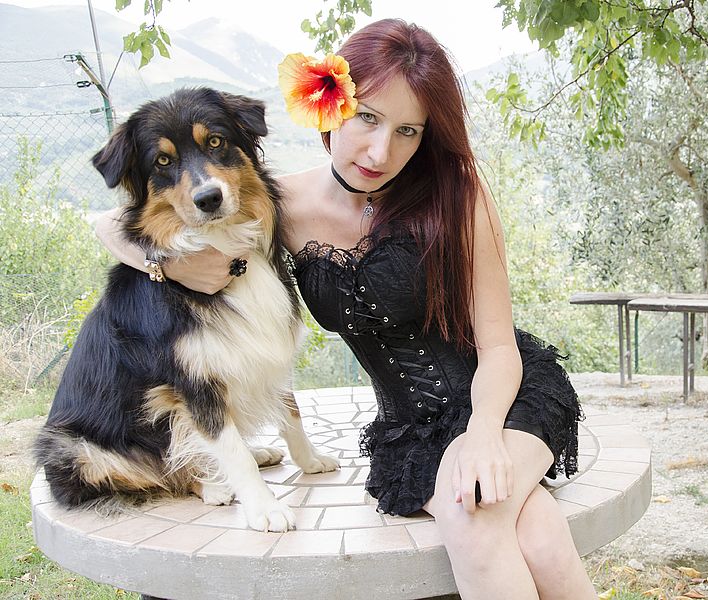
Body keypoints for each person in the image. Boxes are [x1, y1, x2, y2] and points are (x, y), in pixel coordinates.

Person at [96, 18, 597, 600]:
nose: (382, 151)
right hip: (409, 430)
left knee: (475, 515)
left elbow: (499, 347)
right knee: (535, 532)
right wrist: (166, 265)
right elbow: (110, 223)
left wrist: (484, 436)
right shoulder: (280, 203)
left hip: (504, 398)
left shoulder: (457, 193)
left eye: (409, 131)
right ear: (330, 106)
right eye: (369, 118)